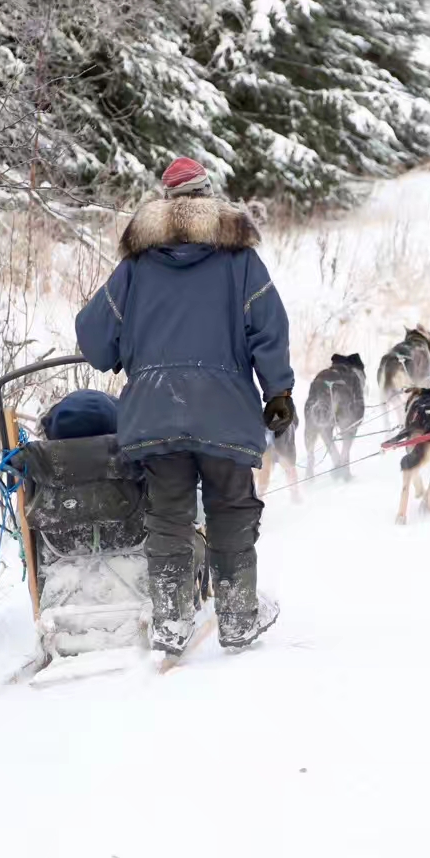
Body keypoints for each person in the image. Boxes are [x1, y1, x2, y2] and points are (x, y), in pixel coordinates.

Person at [75, 156, 296, 654]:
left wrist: (126, 350)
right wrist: (278, 391)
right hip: (224, 411)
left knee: (168, 514)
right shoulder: (240, 260)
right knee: (231, 508)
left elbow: (94, 339)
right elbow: (269, 328)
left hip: (154, 411)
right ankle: (238, 618)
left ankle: (171, 623)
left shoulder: (134, 267)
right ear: (209, 196)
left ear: (166, 201)